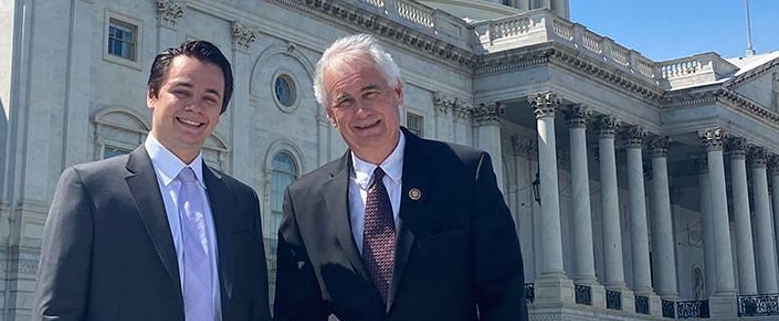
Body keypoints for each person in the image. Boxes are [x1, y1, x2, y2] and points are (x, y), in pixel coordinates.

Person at [274, 33, 526, 321]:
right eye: (344, 101)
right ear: (331, 116)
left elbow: (504, 297)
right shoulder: (304, 200)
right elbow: (295, 313)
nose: (361, 111)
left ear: (397, 92)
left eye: (371, 93)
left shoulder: (465, 173)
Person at [32, 40, 271, 321]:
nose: (195, 107)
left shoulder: (241, 202)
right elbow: (56, 314)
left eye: (210, 98)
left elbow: (256, 311)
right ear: (152, 95)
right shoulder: (88, 189)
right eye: (182, 92)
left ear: (220, 113)